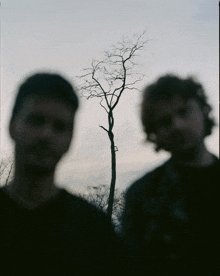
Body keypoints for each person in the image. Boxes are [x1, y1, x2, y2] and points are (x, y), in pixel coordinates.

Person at [0, 72, 129, 276]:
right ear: (12, 126)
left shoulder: (95, 231)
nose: (46, 134)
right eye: (36, 120)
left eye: (60, 126)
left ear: (70, 139)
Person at [121, 74, 219, 276]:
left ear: (203, 110)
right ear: (154, 133)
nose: (177, 125)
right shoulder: (142, 196)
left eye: (184, 112)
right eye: (165, 122)